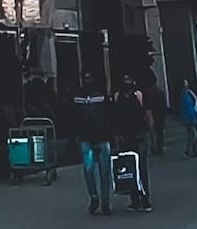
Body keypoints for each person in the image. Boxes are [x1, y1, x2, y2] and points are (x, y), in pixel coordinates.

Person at [72, 79, 113, 215]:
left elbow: (109, 116)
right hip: (87, 138)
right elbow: (75, 117)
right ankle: (94, 197)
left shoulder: (101, 96)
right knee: (89, 171)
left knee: (104, 172)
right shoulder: (78, 97)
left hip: (101, 137)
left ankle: (105, 200)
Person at [112, 78, 150, 209]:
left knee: (142, 169)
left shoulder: (138, 95)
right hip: (124, 138)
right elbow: (115, 117)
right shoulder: (117, 97)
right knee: (130, 169)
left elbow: (147, 112)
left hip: (139, 136)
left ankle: (145, 198)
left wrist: (148, 130)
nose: (127, 82)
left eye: (129, 79)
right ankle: (134, 199)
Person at [144, 71, 169, 159]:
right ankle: (160, 148)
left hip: (151, 113)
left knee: (152, 132)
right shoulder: (160, 91)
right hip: (160, 114)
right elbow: (164, 104)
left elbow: (145, 104)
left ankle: (154, 147)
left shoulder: (147, 92)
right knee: (160, 132)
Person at [179, 83, 197, 158]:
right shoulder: (186, 95)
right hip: (191, 117)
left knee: (192, 133)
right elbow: (189, 108)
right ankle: (188, 151)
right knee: (193, 134)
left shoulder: (186, 94)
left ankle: (193, 151)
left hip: (190, 117)